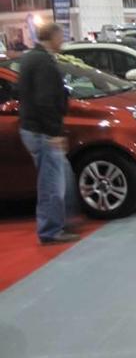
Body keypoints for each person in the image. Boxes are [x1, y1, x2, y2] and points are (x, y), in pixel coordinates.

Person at [18, 23, 79, 244]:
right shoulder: (43, 62)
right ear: (52, 36)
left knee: (61, 177)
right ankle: (50, 230)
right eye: (60, 36)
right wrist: (55, 133)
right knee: (52, 184)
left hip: (33, 129)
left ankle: (63, 220)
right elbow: (45, 101)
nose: (62, 40)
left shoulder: (31, 57)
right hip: (42, 133)